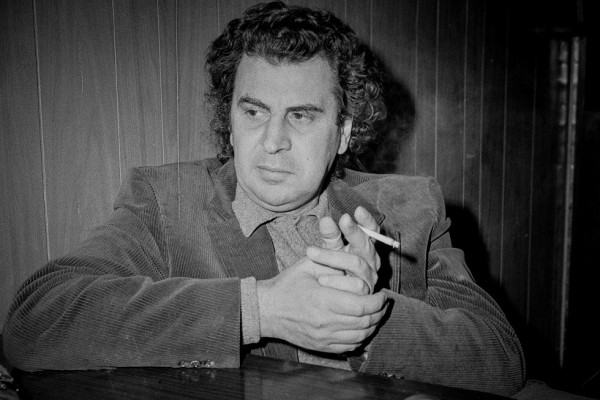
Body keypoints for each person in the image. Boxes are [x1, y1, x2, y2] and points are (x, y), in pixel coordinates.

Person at [2, 1, 525, 397]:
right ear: (230, 119)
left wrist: (363, 319)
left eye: (301, 116)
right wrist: (261, 309)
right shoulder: (164, 202)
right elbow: (35, 321)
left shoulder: (411, 208)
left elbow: (500, 357)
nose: (272, 141)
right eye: (253, 112)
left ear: (343, 132)